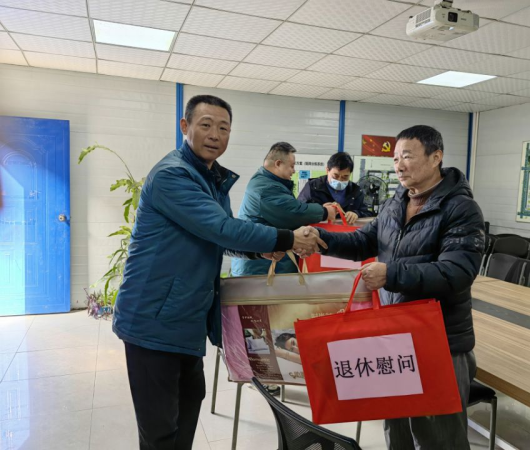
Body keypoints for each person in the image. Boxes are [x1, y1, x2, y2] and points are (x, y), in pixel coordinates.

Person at [112, 94, 325, 450]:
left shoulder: (209, 178)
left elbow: (217, 236)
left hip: (186, 318)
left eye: (223, 128)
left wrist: (259, 248)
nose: (215, 135)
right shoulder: (172, 176)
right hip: (152, 320)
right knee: (160, 429)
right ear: (185, 126)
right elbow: (221, 228)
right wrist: (288, 238)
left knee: (188, 407)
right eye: (206, 125)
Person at [309, 125, 485, 450]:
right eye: (395, 159)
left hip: (439, 340)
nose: (399, 166)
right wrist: (319, 239)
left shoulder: (461, 208)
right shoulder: (395, 202)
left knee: (438, 439)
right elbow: (362, 242)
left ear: (436, 157)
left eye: (407, 157)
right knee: (397, 431)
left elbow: (457, 272)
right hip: (395, 336)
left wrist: (390, 274)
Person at [231, 142, 336, 276]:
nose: (294, 170)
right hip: (260, 267)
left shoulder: (267, 182)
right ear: (278, 164)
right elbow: (294, 213)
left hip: (266, 262)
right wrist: (325, 212)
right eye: (292, 166)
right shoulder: (266, 188)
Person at [298, 152, 375, 224]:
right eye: (335, 176)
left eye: (345, 177)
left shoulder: (356, 191)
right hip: (318, 230)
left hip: (346, 232)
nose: (340, 180)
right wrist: (320, 210)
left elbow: (368, 213)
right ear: (327, 170)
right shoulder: (313, 187)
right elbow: (298, 210)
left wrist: (356, 214)